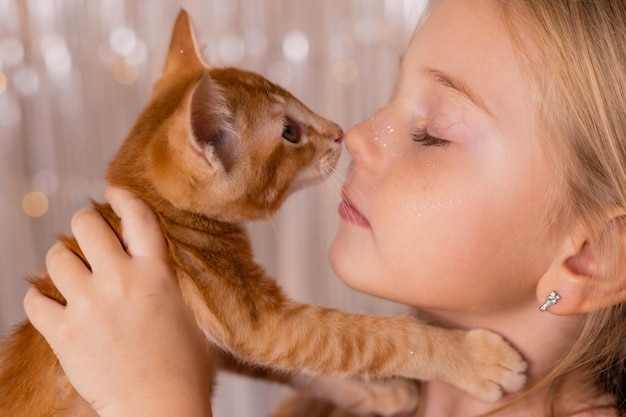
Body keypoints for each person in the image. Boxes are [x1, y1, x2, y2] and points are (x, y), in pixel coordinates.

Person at [22, 0, 626, 415]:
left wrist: (156, 401)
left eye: (433, 132)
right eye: (391, 95)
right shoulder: (332, 407)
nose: (357, 134)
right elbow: (252, 338)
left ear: (591, 258)